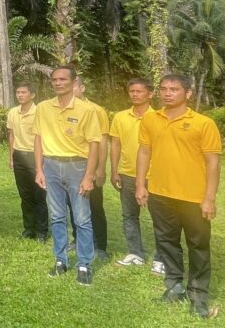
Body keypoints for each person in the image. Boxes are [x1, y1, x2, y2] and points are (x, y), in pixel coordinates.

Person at [136, 74, 222, 319]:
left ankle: (198, 295)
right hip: (160, 195)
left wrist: (209, 198)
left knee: (198, 246)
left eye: (174, 89)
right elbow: (144, 152)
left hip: (194, 198)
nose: (167, 93)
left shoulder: (203, 123)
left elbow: (213, 163)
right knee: (167, 243)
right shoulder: (151, 119)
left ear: (188, 94)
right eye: (163, 89)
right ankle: (174, 286)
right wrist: (141, 185)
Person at [33, 65, 101, 286]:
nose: (58, 83)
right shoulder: (43, 108)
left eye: (63, 79)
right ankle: (61, 260)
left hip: (77, 166)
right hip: (51, 166)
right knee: (57, 216)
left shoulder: (86, 110)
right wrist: (39, 169)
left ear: (74, 83)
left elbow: (94, 145)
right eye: (54, 79)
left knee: (82, 218)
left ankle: (84, 264)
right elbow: (38, 139)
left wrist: (89, 176)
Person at [109, 78, 159, 270]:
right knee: (129, 216)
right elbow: (115, 144)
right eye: (132, 91)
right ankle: (135, 253)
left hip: (154, 175)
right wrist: (114, 171)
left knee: (160, 219)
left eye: (139, 91)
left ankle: (161, 259)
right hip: (127, 174)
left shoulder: (158, 118)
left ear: (150, 94)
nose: (135, 94)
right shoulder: (120, 117)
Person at [73, 77, 110, 260]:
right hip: (71, 165)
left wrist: (100, 168)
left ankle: (100, 245)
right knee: (73, 204)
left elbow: (102, 141)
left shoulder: (96, 110)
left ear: (82, 88)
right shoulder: (62, 110)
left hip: (91, 165)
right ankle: (77, 238)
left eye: (73, 86)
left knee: (94, 205)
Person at [7, 82, 47, 241]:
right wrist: (11, 156)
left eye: (24, 92)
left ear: (32, 95)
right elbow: (11, 135)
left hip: (35, 156)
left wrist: (41, 162)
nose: (20, 95)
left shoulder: (39, 112)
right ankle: (28, 228)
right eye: (18, 92)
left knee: (39, 195)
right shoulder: (12, 112)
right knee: (25, 195)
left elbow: (43, 137)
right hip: (19, 157)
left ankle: (42, 231)